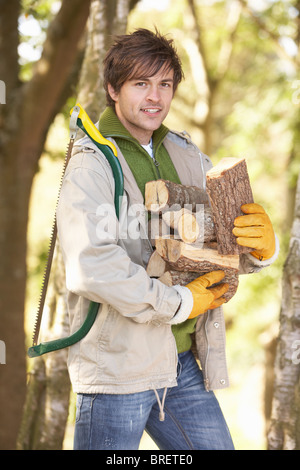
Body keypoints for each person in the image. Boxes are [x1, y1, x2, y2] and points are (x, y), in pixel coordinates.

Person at [56, 28, 279, 450]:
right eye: (141, 83)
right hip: (116, 370)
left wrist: (261, 251)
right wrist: (180, 303)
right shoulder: (91, 164)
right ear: (112, 89)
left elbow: (218, 245)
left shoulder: (187, 154)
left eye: (164, 84)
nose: (155, 97)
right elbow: (94, 267)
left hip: (180, 366)